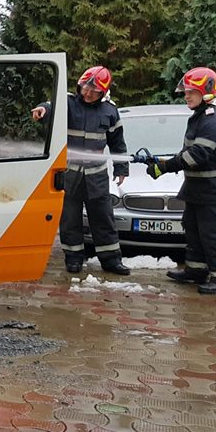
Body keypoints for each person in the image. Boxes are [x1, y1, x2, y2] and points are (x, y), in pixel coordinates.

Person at [146, 67, 216, 294]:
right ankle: (196, 270)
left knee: (214, 235)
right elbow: (189, 152)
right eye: (186, 91)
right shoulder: (203, 115)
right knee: (194, 229)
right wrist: (162, 161)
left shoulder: (213, 119)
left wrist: (165, 167)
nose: (186, 96)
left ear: (207, 91)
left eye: (192, 91)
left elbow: (197, 155)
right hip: (201, 190)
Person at [32, 66, 130, 275]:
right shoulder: (68, 103)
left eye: (92, 91)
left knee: (103, 218)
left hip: (97, 177)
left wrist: (121, 168)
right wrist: (42, 109)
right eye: (84, 88)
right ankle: (73, 258)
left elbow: (118, 144)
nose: (86, 93)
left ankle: (111, 260)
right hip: (70, 174)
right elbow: (50, 106)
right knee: (69, 219)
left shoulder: (110, 111)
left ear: (103, 92)